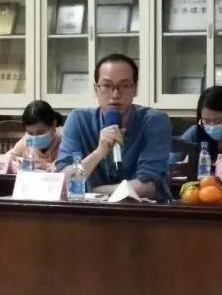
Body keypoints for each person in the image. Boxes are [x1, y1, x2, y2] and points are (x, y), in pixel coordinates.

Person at [56, 53, 172, 199]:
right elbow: (64, 182)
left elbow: (148, 186)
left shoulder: (154, 121)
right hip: (88, 210)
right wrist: (98, 153)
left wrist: (97, 190)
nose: (116, 94)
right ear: (96, 89)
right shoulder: (79, 120)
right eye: (107, 85)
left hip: (142, 210)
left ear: (134, 89)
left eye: (125, 86)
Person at [6, 100, 63, 171]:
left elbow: (66, 166)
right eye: (30, 133)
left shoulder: (65, 140)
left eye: (40, 132)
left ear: (54, 125)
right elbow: (7, 158)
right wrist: (20, 165)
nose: (35, 137)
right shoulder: (27, 139)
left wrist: (45, 166)